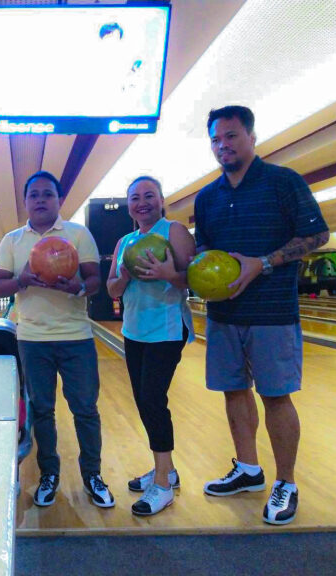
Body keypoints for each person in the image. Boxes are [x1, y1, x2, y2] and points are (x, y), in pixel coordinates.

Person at [194, 105, 329, 525]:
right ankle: (248, 470)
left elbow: (317, 233)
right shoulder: (207, 197)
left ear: (251, 137)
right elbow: (206, 250)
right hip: (224, 312)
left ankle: (285, 482)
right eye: (216, 139)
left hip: (272, 310)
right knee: (233, 390)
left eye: (231, 136)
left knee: (275, 395)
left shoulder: (283, 182)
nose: (223, 145)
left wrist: (263, 263)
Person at [0, 170, 114, 509]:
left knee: (85, 410)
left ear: (59, 201)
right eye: (34, 195)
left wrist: (77, 287)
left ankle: (92, 474)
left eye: (48, 194)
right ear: (26, 201)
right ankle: (49, 474)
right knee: (42, 411)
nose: (41, 200)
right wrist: (23, 280)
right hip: (32, 339)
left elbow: (94, 280)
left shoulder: (77, 234)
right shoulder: (12, 240)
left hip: (76, 336)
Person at [106, 175, 195, 516]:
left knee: (154, 401)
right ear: (129, 205)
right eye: (134, 198)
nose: (141, 202)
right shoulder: (125, 241)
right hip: (134, 330)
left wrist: (168, 274)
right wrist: (125, 275)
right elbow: (113, 290)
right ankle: (165, 468)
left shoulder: (173, 231)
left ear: (160, 199)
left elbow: (193, 278)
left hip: (167, 329)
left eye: (148, 195)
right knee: (144, 402)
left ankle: (163, 485)